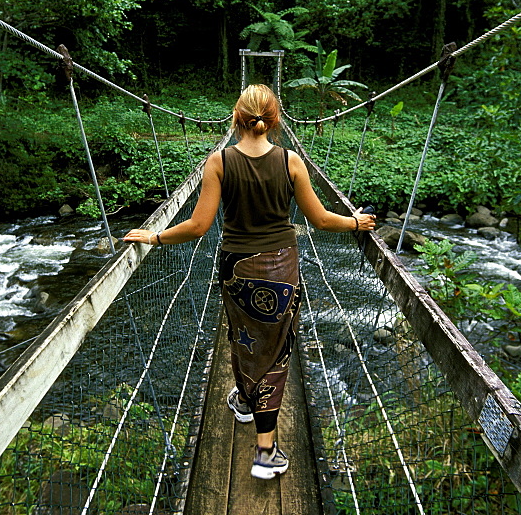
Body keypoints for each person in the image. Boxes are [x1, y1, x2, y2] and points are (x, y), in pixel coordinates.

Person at [123, 84, 375, 480]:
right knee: (275, 354)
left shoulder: (219, 161)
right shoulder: (291, 162)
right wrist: (356, 222)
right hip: (281, 270)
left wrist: (153, 237)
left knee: (243, 338)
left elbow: (198, 226)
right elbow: (322, 220)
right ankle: (265, 451)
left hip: (235, 269)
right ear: (275, 120)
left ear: (236, 118)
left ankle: (244, 400)